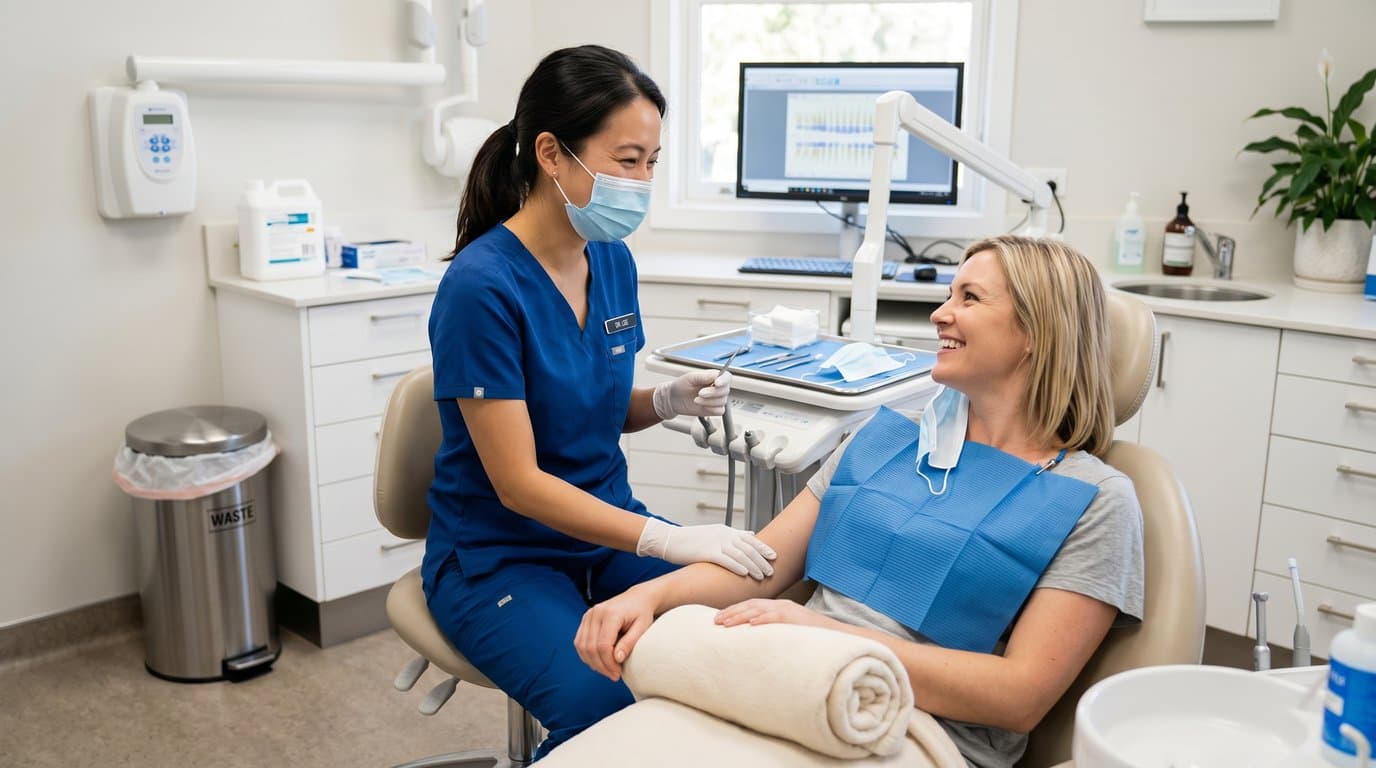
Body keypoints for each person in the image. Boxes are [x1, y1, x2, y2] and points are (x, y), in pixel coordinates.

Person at [575, 236, 1145, 768]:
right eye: (948, 294)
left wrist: (821, 633)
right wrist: (650, 595)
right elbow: (758, 568)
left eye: (969, 298)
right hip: (787, 680)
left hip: (916, 729)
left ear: (1038, 332)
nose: (940, 314)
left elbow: (1018, 698)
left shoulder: (1093, 498)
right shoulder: (884, 438)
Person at [425, 45, 777, 759]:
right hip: (499, 557)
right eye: (627, 160)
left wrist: (669, 400)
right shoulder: (481, 287)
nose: (643, 182)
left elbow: (594, 404)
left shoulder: (609, 259)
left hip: (604, 535)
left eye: (652, 161)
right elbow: (518, 483)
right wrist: (667, 540)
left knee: (742, 624)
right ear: (552, 154)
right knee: (605, 702)